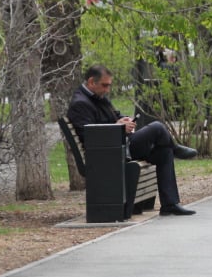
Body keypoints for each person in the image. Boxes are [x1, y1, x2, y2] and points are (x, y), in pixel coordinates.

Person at [67, 65, 198, 216]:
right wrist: (118, 126)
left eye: (109, 85)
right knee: (157, 127)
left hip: (120, 147)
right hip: (109, 154)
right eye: (105, 85)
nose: (107, 89)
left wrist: (124, 120)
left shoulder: (97, 97)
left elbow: (114, 115)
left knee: (164, 152)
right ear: (91, 82)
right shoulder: (80, 103)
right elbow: (89, 136)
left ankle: (170, 204)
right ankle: (176, 149)